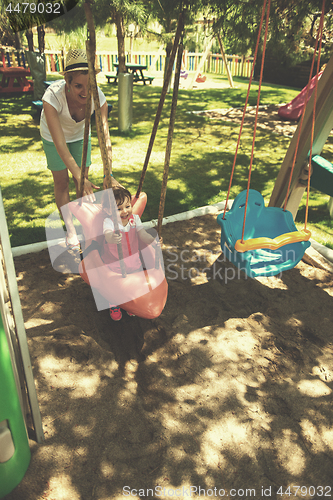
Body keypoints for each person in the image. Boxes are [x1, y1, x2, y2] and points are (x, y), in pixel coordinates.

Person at [40, 48, 119, 250]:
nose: (85, 92)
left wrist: (108, 172)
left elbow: (105, 139)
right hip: (53, 137)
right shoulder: (52, 98)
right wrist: (79, 175)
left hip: (80, 135)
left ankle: (87, 229)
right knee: (63, 181)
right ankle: (71, 231)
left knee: (83, 183)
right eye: (78, 86)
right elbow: (60, 146)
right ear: (67, 82)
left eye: (89, 85)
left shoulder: (98, 98)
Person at [102, 187, 159, 321]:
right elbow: (107, 235)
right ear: (108, 210)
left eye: (128, 206)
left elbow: (142, 235)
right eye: (119, 208)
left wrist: (153, 241)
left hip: (134, 258)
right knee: (116, 283)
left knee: (134, 281)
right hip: (115, 260)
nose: (125, 211)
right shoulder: (109, 222)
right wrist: (112, 237)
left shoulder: (135, 219)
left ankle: (130, 303)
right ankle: (114, 303)